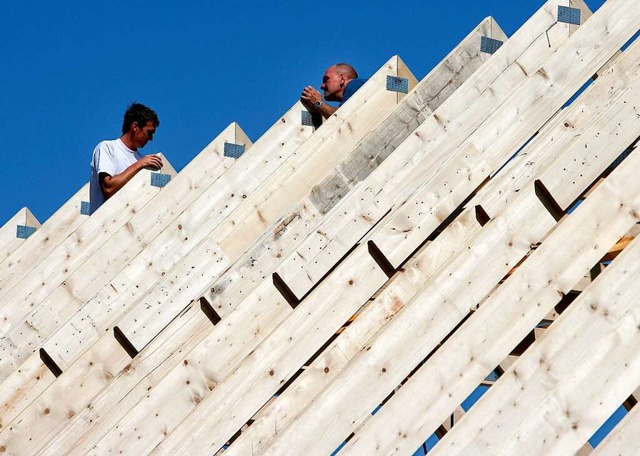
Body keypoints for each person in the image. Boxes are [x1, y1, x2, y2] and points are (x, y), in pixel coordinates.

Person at [89, 103, 163, 214]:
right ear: (135, 127)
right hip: (104, 227)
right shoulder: (107, 148)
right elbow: (108, 188)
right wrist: (139, 165)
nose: (151, 138)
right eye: (149, 132)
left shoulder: (142, 161)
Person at [300, 63, 367, 119]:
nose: (322, 86)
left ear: (342, 79)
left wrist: (317, 103)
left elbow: (341, 117)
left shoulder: (355, 84)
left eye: (326, 79)